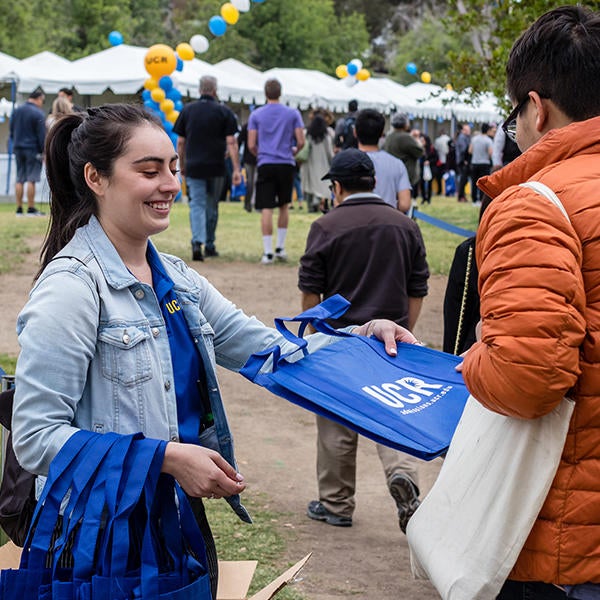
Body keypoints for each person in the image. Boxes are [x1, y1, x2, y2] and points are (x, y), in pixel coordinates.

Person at [10, 103, 414, 599]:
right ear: (96, 177)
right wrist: (166, 458)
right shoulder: (72, 288)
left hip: (171, 529)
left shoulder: (177, 277)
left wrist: (361, 339)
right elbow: (35, 438)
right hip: (97, 543)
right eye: (149, 170)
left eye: (173, 168)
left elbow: (270, 350)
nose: (171, 185)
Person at [459, 6, 600, 598]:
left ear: (535, 108)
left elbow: (526, 378)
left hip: (564, 543)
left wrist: (468, 363)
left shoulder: (534, 203)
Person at [299, 148, 429, 532]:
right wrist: (404, 325)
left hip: (341, 338)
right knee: (391, 413)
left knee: (337, 421)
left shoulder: (325, 225)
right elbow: (417, 286)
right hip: (393, 340)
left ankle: (336, 503)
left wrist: (311, 333)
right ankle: (402, 475)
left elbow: (311, 290)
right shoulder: (405, 224)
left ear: (336, 186)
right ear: (373, 182)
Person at [173, 75, 241, 261]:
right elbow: (231, 142)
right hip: (217, 166)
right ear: (215, 90)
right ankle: (210, 244)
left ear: (199, 90)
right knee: (212, 205)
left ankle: (197, 242)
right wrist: (236, 169)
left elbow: (181, 142)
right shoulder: (224, 112)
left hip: (194, 165)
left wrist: (182, 164)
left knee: (197, 204)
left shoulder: (188, 110)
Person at [247, 78, 304, 264]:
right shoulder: (292, 113)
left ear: (265, 93)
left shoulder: (256, 115)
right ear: (280, 92)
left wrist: (261, 153)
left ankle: (267, 252)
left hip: (266, 162)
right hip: (286, 162)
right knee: (284, 205)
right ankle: (280, 247)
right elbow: (301, 141)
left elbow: (251, 144)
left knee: (266, 207)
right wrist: (293, 150)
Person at [356, 109, 412, 213]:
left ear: (355, 132)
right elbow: (405, 204)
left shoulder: (346, 162)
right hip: (388, 221)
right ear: (382, 133)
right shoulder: (397, 164)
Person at [9, 89, 46, 216]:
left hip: (18, 148)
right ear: (39, 98)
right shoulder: (38, 113)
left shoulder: (16, 111)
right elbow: (41, 135)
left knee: (20, 178)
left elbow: (11, 130)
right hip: (32, 149)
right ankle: (31, 208)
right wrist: (44, 151)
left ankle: (19, 209)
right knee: (32, 178)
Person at [383, 113, 424, 199]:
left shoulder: (389, 136)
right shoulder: (405, 137)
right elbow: (419, 152)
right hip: (405, 176)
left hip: (391, 175)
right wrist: (417, 140)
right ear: (406, 124)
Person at [300, 112, 334, 214]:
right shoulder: (326, 137)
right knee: (321, 185)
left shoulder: (307, 134)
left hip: (309, 163)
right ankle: (317, 200)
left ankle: (310, 205)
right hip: (322, 163)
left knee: (310, 185)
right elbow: (329, 153)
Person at [468, 123, 493, 205]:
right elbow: (490, 152)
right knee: (483, 183)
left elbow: (470, 150)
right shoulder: (488, 140)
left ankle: (474, 200)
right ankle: (481, 200)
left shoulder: (474, 139)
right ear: (488, 130)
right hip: (484, 163)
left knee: (474, 182)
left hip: (475, 162)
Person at [237, 121, 257, 213]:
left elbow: (239, 141)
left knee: (250, 182)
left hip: (248, 158)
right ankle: (253, 203)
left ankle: (248, 203)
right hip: (260, 157)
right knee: (255, 182)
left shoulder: (247, 125)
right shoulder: (262, 124)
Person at [454, 123, 471, 202]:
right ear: (464, 130)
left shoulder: (464, 137)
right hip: (462, 161)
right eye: (468, 130)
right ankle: (461, 196)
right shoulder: (462, 138)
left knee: (464, 180)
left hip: (462, 160)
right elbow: (463, 150)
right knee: (463, 180)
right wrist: (465, 160)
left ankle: (462, 195)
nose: (469, 131)